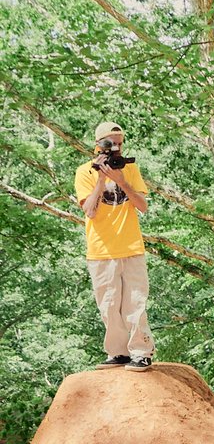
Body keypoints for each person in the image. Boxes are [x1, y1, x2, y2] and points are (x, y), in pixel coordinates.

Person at [75, 121, 155, 371]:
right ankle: (118, 352)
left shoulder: (130, 169)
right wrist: (101, 180)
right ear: (98, 145)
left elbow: (143, 206)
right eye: (111, 144)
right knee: (109, 305)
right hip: (101, 250)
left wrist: (121, 181)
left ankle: (141, 351)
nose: (116, 149)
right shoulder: (84, 172)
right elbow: (89, 211)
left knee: (135, 302)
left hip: (131, 246)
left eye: (120, 144)